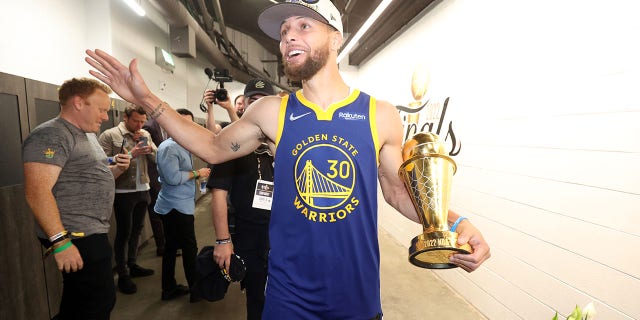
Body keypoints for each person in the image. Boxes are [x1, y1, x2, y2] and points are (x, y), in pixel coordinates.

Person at [86, 0, 491, 317]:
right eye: (283, 32)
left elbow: (399, 193)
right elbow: (210, 147)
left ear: (336, 38)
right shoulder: (272, 112)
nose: (288, 37)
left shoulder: (379, 115)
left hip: (356, 292)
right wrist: (146, 98)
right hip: (288, 296)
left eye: (303, 26)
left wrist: (455, 222)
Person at [22, 77, 131, 319]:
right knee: (97, 302)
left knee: (80, 301)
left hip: (91, 230)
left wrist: (118, 169)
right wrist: (60, 242)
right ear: (79, 103)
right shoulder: (51, 135)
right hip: (75, 233)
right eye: (102, 109)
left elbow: (89, 179)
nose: (105, 116)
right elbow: (37, 192)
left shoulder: (87, 134)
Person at [207, 78, 275, 319]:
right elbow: (218, 194)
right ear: (243, 105)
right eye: (252, 101)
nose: (258, 107)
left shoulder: (285, 143)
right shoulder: (232, 144)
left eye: (264, 102)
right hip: (251, 234)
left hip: (285, 234)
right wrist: (223, 240)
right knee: (257, 296)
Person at [98, 104, 156, 294]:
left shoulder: (145, 134)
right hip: (122, 190)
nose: (139, 125)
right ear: (125, 117)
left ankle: (133, 264)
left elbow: (157, 158)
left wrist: (149, 149)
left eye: (142, 121)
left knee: (137, 230)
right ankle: (123, 274)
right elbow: (101, 162)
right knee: (124, 231)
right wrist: (132, 153)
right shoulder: (110, 135)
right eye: (136, 121)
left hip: (143, 186)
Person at [154, 108, 211, 302]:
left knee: (172, 247)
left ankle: (168, 288)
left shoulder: (183, 144)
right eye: (180, 123)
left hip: (179, 203)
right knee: (188, 247)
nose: (185, 128)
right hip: (175, 207)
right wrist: (197, 174)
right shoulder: (169, 147)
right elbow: (172, 177)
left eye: (189, 124)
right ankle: (196, 291)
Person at [142, 116, 167, 256]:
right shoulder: (149, 127)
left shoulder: (161, 127)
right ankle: (162, 246)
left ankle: (166, 243)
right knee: (156, 212)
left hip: (160, 174)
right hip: (152, 176)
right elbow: (150, 154)